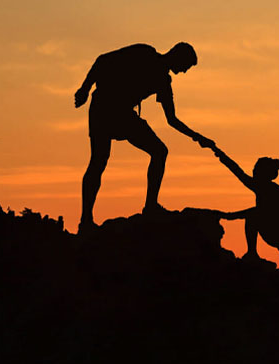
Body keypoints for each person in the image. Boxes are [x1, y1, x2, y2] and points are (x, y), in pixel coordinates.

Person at [74, 42, 214, 233]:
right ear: (177, 56)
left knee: (159, 152)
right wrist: (84, 88)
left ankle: (150, 207)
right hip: (104, 107)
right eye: (185, 67)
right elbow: (102, 60)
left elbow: (171, 119)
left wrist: (198, 137)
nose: (183, 72)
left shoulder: (164, 82)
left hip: (124, 115)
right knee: (99, 161)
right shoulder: (144, 53)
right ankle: (86, 220)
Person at [208, 143, 279, 298]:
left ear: (264, 173)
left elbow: (257, 211)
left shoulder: (272, 190)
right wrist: (217, 152)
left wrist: (228, 216)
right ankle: (252, 253)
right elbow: (238, 173)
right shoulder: (265, 187)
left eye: (256, 169)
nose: (253, 171)